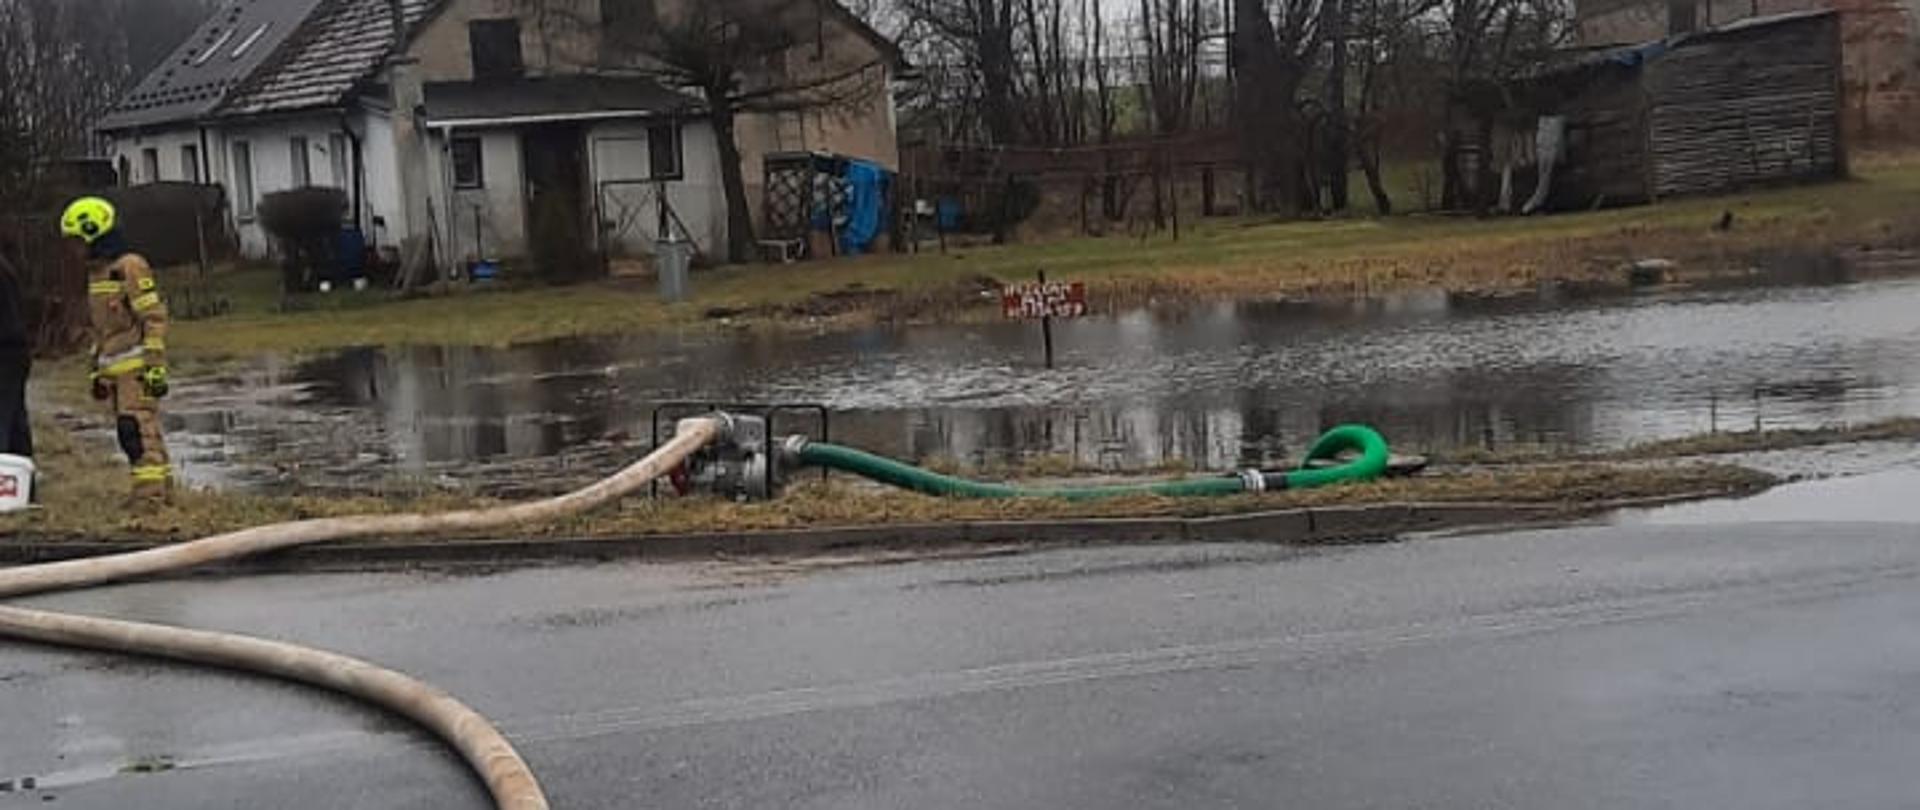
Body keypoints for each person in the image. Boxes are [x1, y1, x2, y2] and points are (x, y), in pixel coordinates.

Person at [61, 197, 172, 505]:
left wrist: (154, 366)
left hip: (138, 370)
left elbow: (153, 318)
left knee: (136, 432)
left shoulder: (129, 267)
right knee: (137, 435)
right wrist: (98, 372)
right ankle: (160, 494)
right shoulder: (97, 274)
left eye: (76, 241)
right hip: (116, 372)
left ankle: (151, 499)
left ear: (92, 233)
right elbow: (102, 331)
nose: (73, 250)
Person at [0, 246, 30, 459]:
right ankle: (22, 482)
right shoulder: (5, 268)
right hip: (14, 351)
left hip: (5, 351)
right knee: (14, 422)